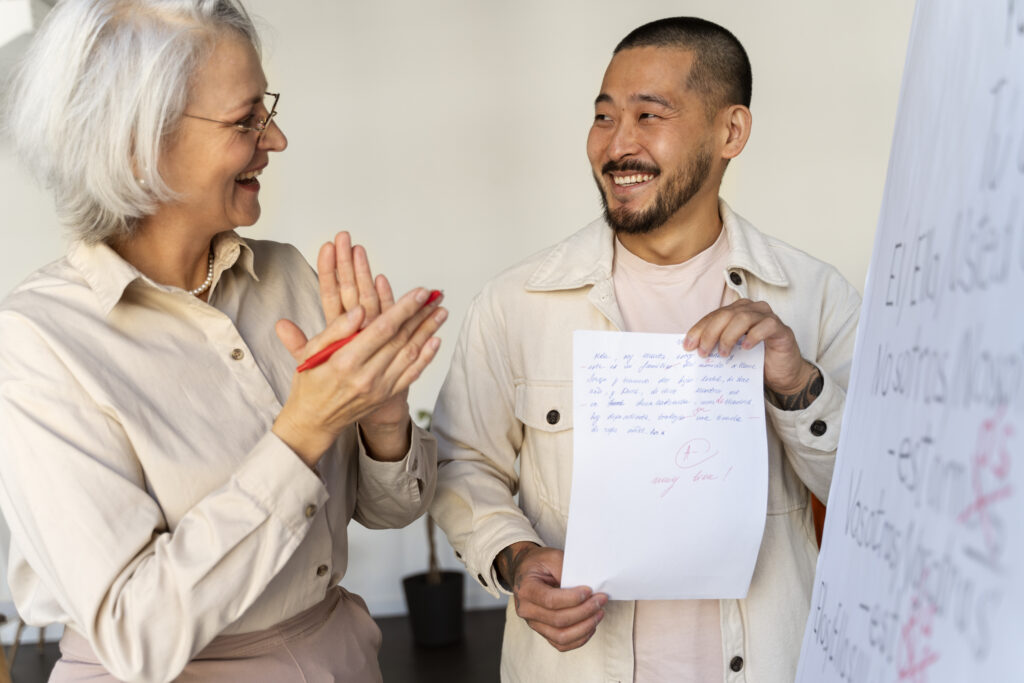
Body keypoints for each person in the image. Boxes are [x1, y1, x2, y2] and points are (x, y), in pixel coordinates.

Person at [0, 1, 447, 681]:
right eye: (246, 120)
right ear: (136, 142)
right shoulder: (36, 343)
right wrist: (303, 428)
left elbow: (391, 509)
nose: (276, 139)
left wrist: (384, 416)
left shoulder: (288, 276)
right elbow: (136, 631)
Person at [429, 16, 861, 683]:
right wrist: (512, 554)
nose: (616, 145)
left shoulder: (816, 296)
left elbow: (872, 495)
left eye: (649, 115)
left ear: (731, 132)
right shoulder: (517, 302)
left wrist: (798, 382)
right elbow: (460, 463)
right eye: (603, 117)